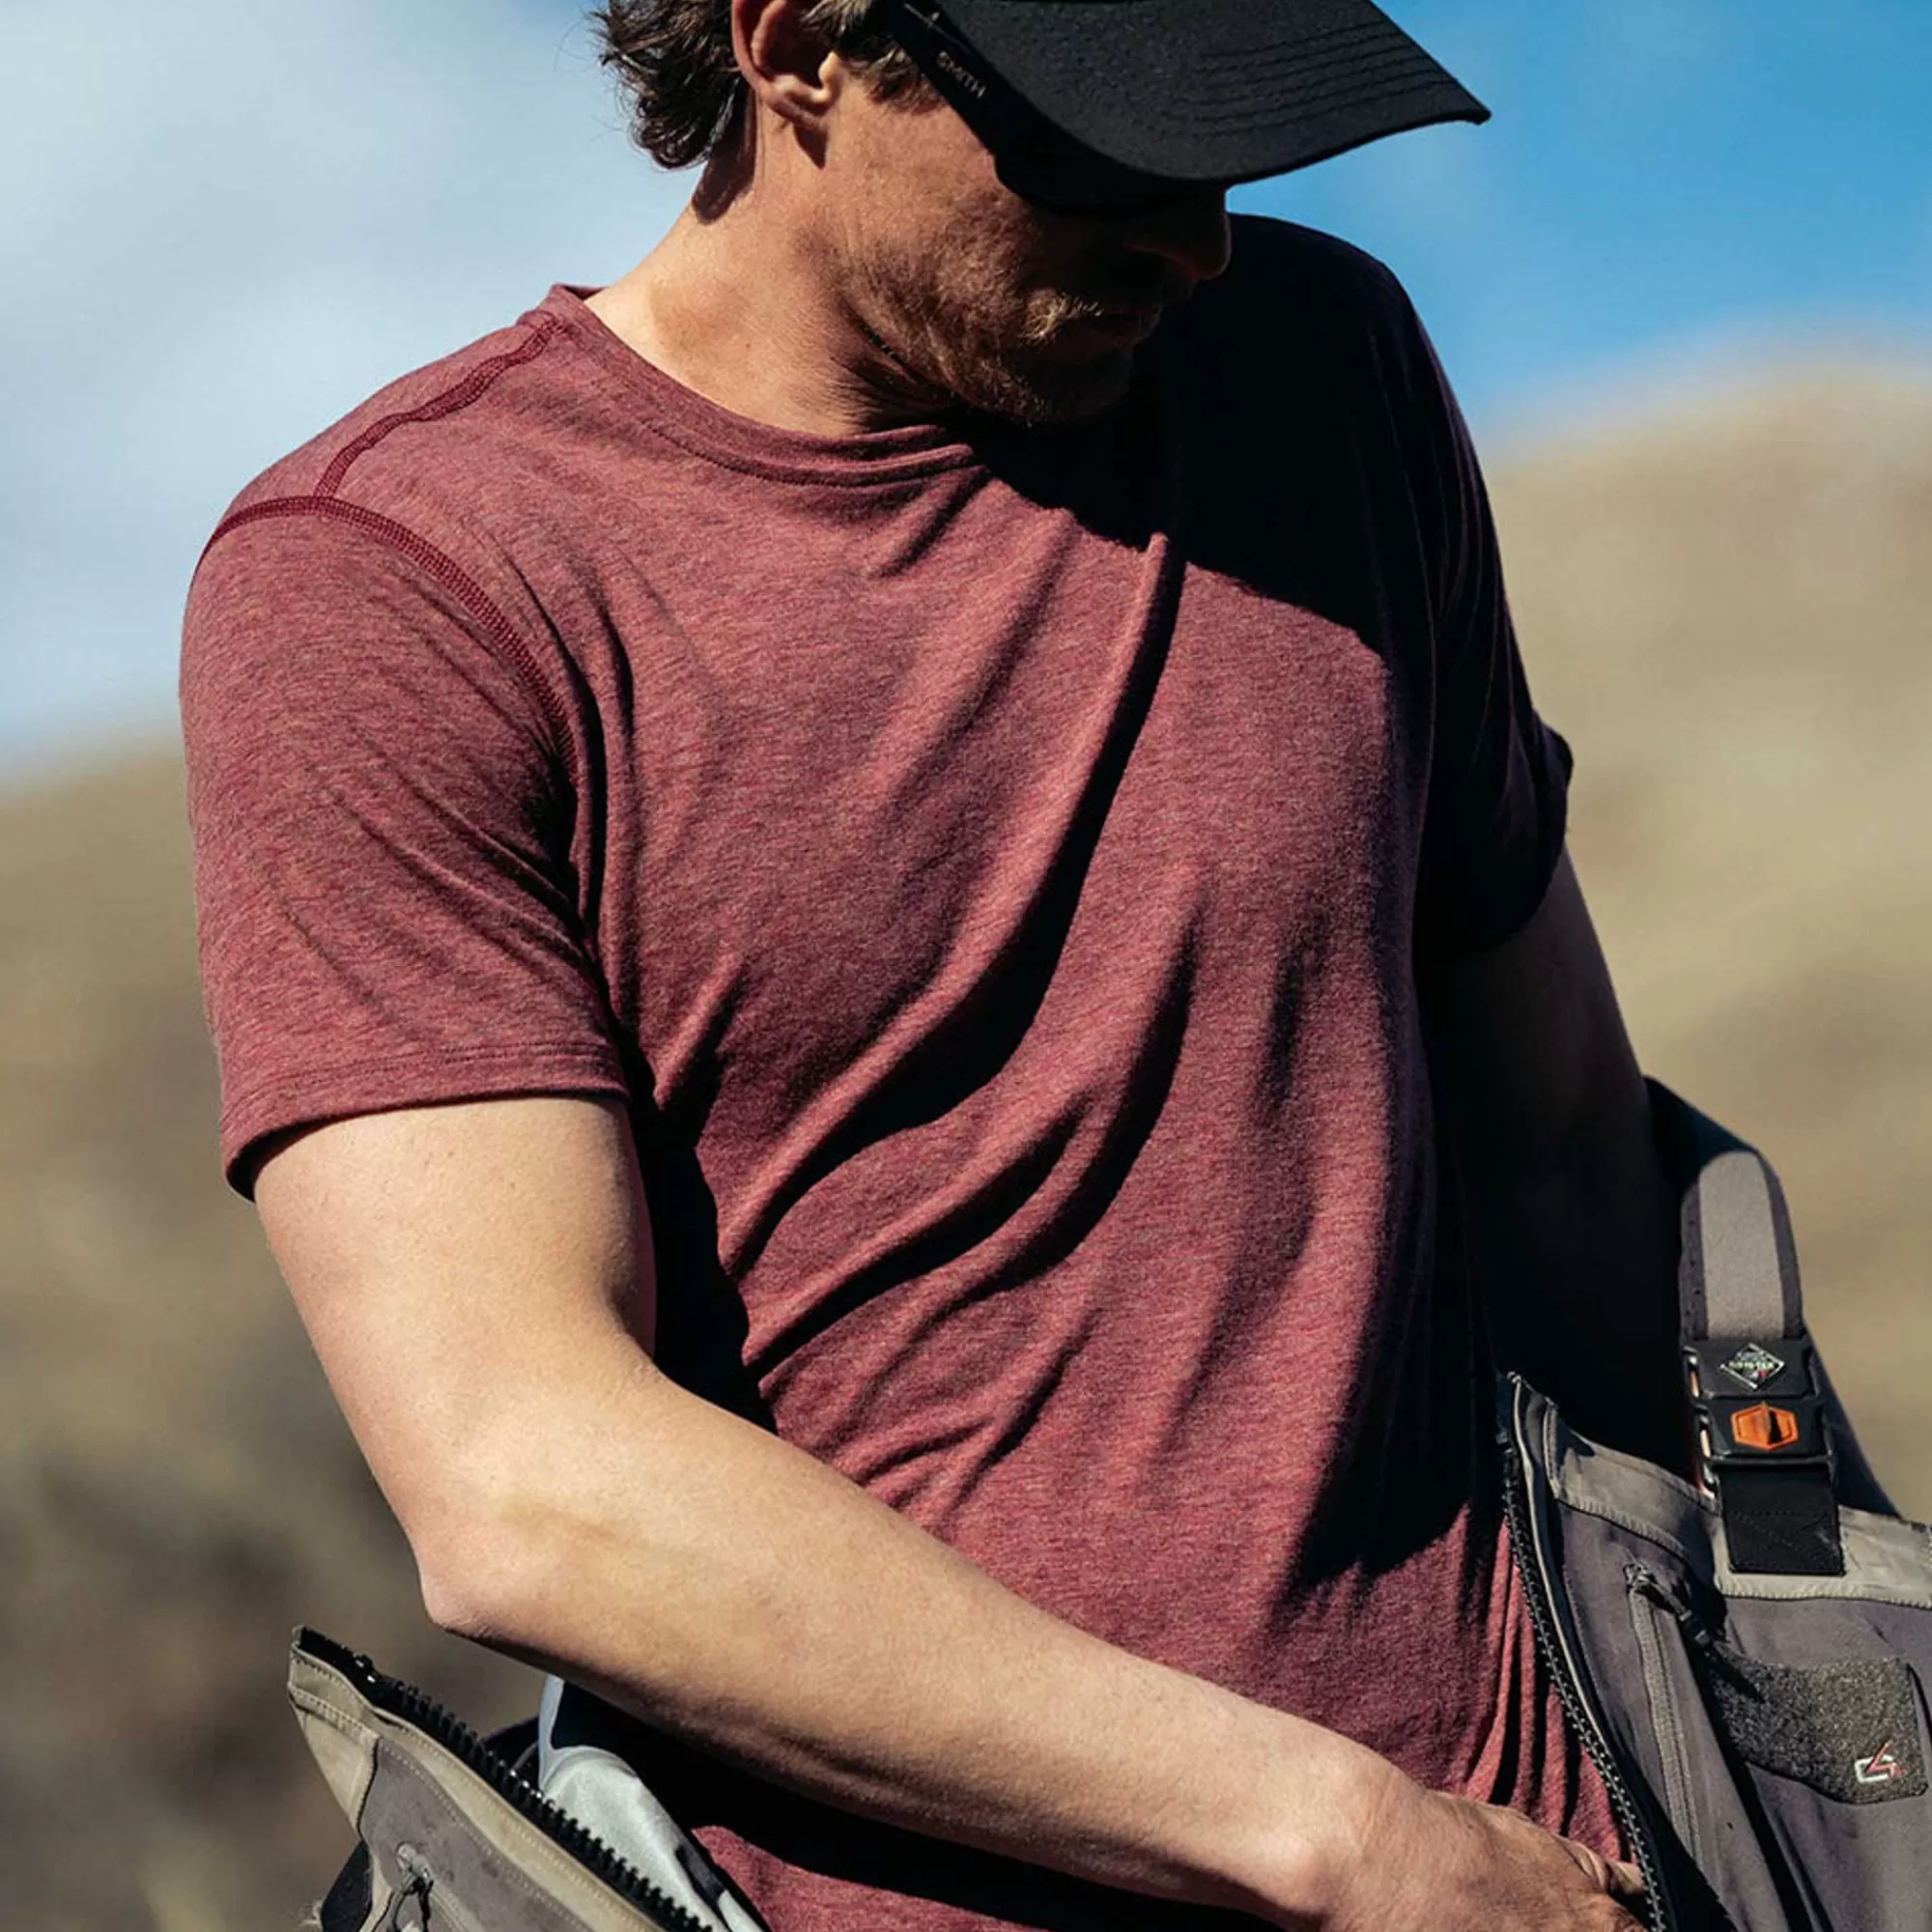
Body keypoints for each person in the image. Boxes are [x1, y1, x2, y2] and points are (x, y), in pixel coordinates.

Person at [181, 3, 1689, 1926]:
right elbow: (526, 1478)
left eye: (1228, 145)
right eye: (1105, 151)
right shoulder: (397, 581)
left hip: (1559, 1864)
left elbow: (1567, 1143)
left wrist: (1808, 1715)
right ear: (798, 44)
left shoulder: (1326, 374)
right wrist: (1345, 1840)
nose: (1195, 242)